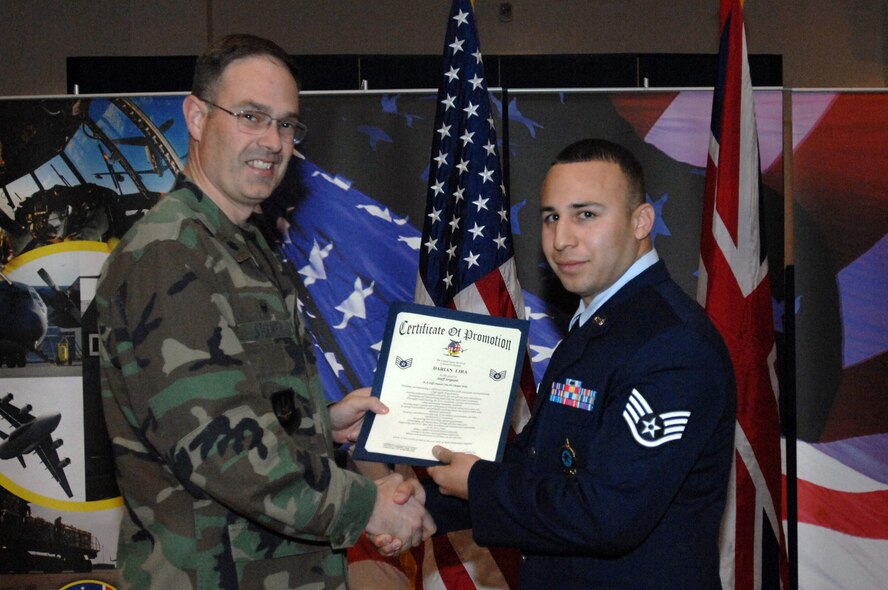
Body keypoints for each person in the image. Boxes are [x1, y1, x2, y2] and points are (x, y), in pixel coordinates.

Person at [97, 34, 433, 589]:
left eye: (285, 124)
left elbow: (233, 404)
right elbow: (221, 451)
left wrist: (324, 421)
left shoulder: (244, 246)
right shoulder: (170, 251)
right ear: (197, 117)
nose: (272, 141)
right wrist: (369, 507)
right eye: (251, 116)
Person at [411, 138, 737, 588]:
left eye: (586, 214)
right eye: (551, 217)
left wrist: (480, 484)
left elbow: (610, 513)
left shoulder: (672, 343)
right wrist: (415, 504)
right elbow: (538, 463)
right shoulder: (600, 324)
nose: (561, 239)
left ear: (641, 221)